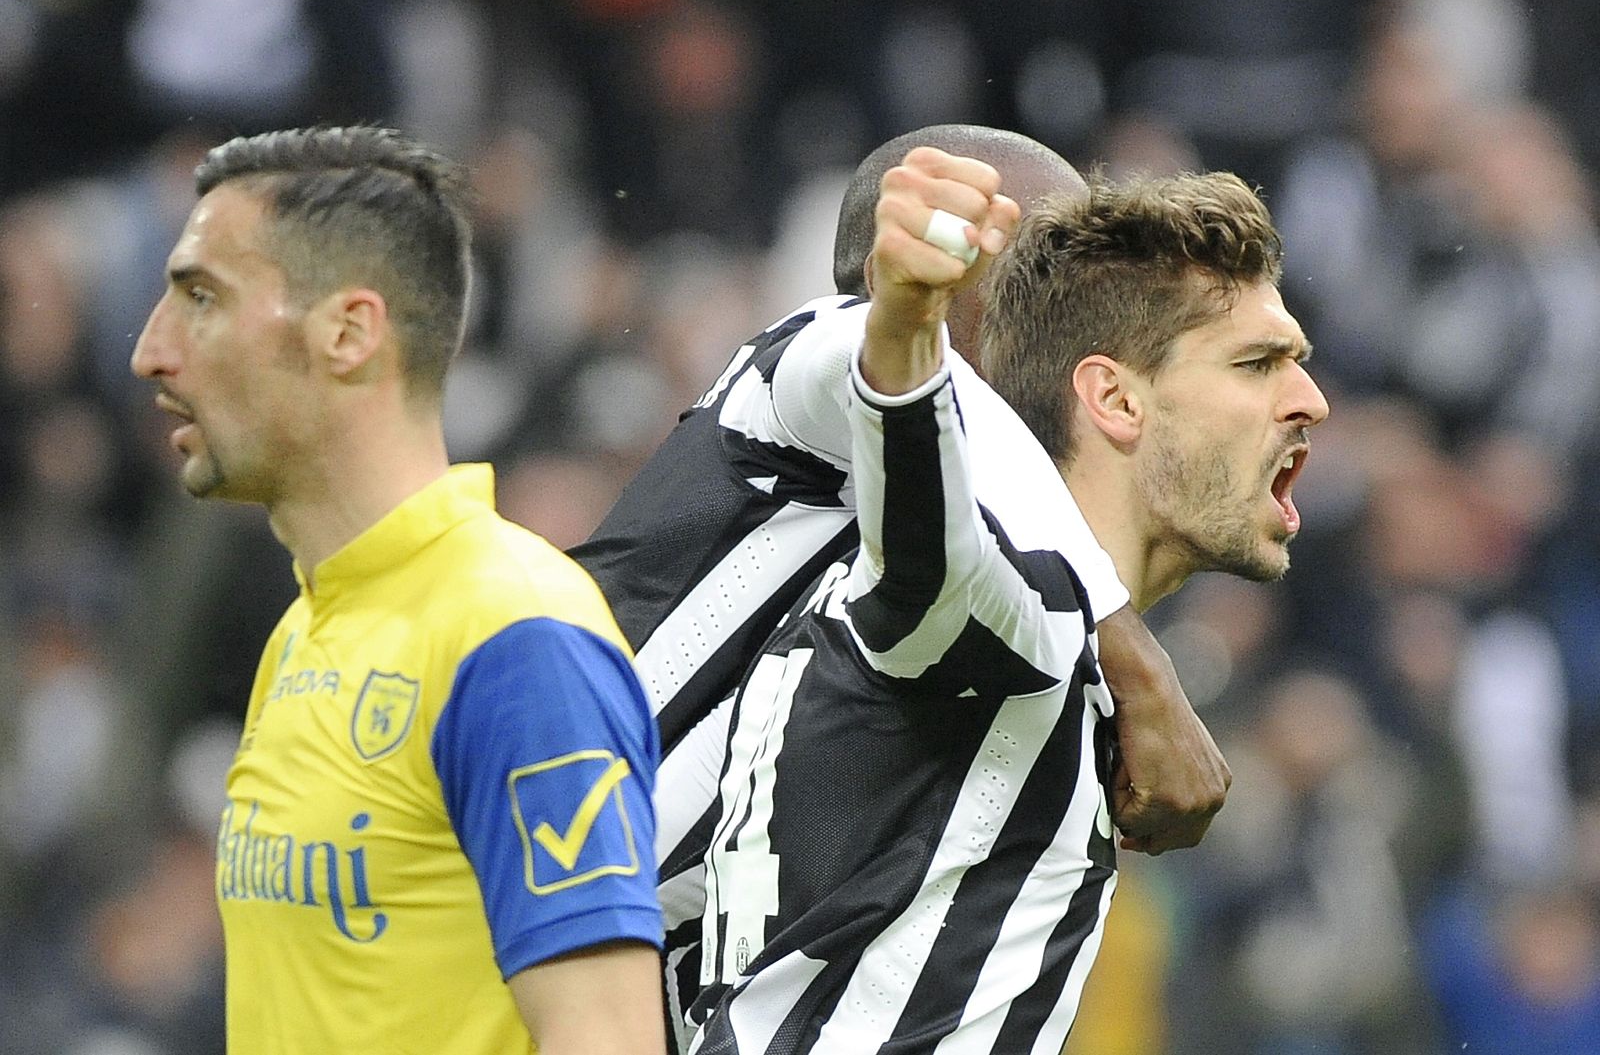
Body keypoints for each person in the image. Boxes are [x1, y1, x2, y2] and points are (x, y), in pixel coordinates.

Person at [569, 125, 1229, 1046]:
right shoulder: (796, 364)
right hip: (481, 896)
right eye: (1055, 278)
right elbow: (910, 381)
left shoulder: (967, 570)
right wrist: (1138, 663)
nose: (1088, 321)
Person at [686, 151, 1328, 1051]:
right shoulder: (1016, 608)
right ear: (1114, 398)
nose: (1310, 401)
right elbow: (933, 533)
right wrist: (906, 326)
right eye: (1256, 364)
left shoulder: (1068, 654)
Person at [128, 125, 666, 1055]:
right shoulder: (304, 631)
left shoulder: (515, 635)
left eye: (202, 297)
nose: (150, 351)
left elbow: (607, 1037)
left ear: (348, 332)